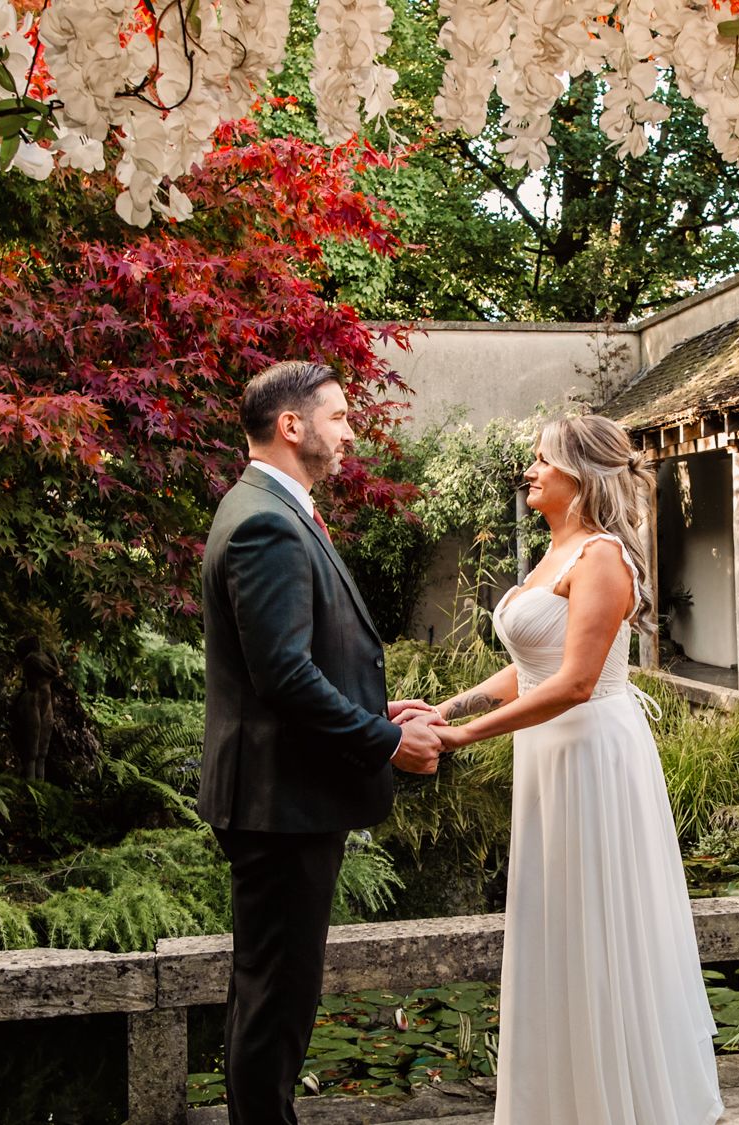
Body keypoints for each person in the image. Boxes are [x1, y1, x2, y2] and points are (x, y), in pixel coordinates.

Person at [428, 414, 724, 1125]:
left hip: (591, 754)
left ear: (580, 474)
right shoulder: (555, 548)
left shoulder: (601, 557)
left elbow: (574, 683)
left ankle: (620, 1101)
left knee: (598, 923)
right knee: (557, 919)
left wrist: (464, 737)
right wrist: (443, 708)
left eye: (541, 460)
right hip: (547, 753)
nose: (528, 471)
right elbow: (528, 669)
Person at [199, 360, 446, 1125]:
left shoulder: (269, 506)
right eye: (338, 416)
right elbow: (281, 675)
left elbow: (295, 658)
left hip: (284, 798)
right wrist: (381, 739)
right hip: (281, 802)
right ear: (291, 425)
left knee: (269, 988)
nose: (349, 431)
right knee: (277, 997)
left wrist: (374, 700)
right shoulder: (267, 520)